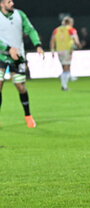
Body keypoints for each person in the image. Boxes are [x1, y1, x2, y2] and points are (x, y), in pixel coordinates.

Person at [0, 0, 44, 128]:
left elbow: (30, 30)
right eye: (9, 1)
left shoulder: (20, 15)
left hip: (18, 57)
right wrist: (8, 49)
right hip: (1, 55)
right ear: (1, 4)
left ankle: (28, 115)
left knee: (20, 87)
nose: (12, 3)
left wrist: (38, 45)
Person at [50, 16, 81, 91]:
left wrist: (52, 50)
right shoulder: (71, 29)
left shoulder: (56, 29)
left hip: (59, 50)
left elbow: (52, 40)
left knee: (64, 67)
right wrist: (78, 45)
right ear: (70, 22)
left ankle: (67, 79)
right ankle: (64, 86)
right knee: (66, 68)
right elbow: (75, 40)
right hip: (67, 50)